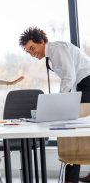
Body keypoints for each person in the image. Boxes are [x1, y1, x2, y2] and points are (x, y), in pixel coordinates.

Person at [19, 26, 90, 183]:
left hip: (87, 83)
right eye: (28, 51)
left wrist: (60, 103)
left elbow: (69, 77)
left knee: (75, 131)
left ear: (42, 41)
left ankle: (70, 179)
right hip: (82, 85)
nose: (31, 53)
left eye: (32, 48)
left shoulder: (57, 49)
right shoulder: (51, 56)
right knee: (78, 130)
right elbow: (69, 78)